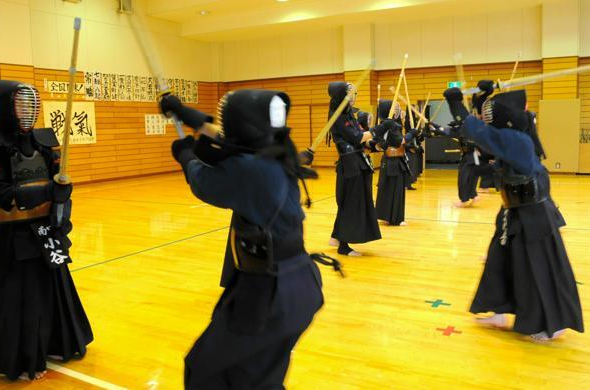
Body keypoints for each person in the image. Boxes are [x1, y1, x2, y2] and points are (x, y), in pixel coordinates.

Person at [160, 89, 343, 389]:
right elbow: (219, 135)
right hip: (300, 285)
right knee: (259, 377)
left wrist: (185, 154)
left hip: (269, 292)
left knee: (206, 370)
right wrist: (182, 112)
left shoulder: (249, 170)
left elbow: (201, 180)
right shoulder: (277, 151)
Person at [0, 80, 93, 381]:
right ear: (6, 107)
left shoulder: (44, 143)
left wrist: (62, 216)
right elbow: (5, 196)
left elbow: (60, 186)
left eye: (31, 104)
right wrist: (50, 188)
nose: (27, 110)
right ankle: (23, 357)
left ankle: (55, 343)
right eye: (20, 104)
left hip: (46, 230)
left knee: (52, 290)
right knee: (21, 298)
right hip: (13, 237)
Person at [443, 83, 583, 341]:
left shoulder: (515, 139)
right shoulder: (519, 131)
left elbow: (480, 131)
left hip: (532, 216)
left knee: (535, 267)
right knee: (499, 258)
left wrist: (455, 104)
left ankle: (547, 324)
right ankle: (499, 310)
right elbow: (489, 142)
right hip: (512, 211)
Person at [326, 82, 382, 256]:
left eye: (354, 93)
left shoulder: (349, 115)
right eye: (349, 94)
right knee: (350, 203)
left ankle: (336, 237)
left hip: (357, 162)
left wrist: (376, 144)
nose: (353, 97)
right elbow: (356, 137)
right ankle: (343, 246)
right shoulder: (338, 116)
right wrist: (379, 129)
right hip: (349, 165)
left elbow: (362, 140)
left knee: (352, 201)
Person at [374, 99, 418, 225]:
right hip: (391, 161)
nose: (397, 111)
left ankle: (390, 217)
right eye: (394, 108)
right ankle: (395, 218)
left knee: (393, 188)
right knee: (393, 189)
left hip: (395, 160)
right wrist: (411, 134)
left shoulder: (392, 125)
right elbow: (400, 141)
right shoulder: (388, 126)